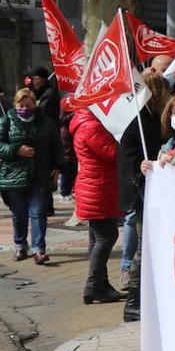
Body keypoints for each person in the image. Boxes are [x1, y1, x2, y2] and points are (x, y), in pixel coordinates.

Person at [118, 72, 170, 320]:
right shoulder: (143, 119)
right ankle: (133, 302)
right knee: (143, 247)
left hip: (139, 189)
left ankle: (138, 300)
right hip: (142, 191)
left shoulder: (144, 116)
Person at [0, 87, 64, 264]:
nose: (25, 108)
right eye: (21, 105)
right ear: (16, 105)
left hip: (40, 174)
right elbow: (1, 145)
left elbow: (57, 147)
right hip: (14, 175)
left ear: (34, 104)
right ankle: (20, 246)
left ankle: (39, 249)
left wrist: (58, 167)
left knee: (38, 213)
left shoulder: (46, 122)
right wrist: (16, 149)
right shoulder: (7, 120)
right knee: (19, 214)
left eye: (28, 105)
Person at [69, 106, 125, 303]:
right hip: (98, 188)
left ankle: (101, 284)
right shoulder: (91, 126)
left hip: (95, 186)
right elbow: (112, 153)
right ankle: (93, 284)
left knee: (97, 238)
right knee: (107, 236)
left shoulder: (84, 123)